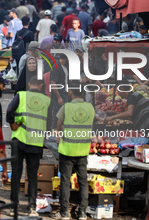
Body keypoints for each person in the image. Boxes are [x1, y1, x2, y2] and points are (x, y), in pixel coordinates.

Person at [7, 76, 51, 217]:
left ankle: (13, 205)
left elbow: (9, 111)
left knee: (16, 174)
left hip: (19, 140)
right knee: (32, 176)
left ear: (29, 84)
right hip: (36, 143)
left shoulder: (21, 95)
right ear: (41, 85)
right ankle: (32, 208)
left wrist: (12, 124)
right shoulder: (47, 100)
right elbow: (49, 122)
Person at [53, 81, 95, 220]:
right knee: (83, 182)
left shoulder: (66, 107)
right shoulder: (90, 107)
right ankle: (82, 212)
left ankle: (64, 212)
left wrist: (63, 130)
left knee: (65, 181)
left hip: (67, 149)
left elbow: (58, 126)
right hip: (83, 150)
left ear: (71, 91)